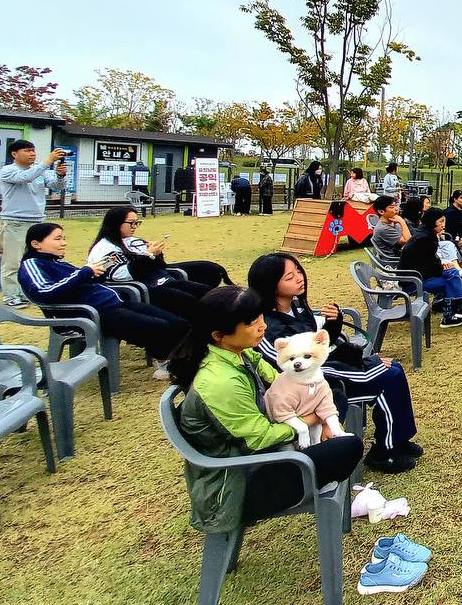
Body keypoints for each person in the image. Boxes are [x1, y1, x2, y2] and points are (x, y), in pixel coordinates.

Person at [166, 286, 363, 533]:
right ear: (219, 334)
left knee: (333, 394)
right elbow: (258, 439)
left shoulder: (238, 353)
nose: (263, 326)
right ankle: (324, 445)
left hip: (261, 456)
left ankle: (325, 437)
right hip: (238, 484)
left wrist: (321, 418)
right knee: (349, 445)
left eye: (260, 317)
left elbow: (281, 381)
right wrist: (313, 417)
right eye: (251, 322)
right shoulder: (220, 382)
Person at [248, 253, 421, 473]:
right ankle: (385, 452)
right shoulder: (269, 328)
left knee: (393, 369)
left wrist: (333, 323)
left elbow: (320, 350)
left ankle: (399, 439)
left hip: (322, 381)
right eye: (289, 277)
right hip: (307, 393)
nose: (299, 278)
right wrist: (369, 365)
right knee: (388, 377)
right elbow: (299, 369)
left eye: (299, 271)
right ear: (271, 286)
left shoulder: (297, 307)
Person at [19, 222, 189, 378]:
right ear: (36, 244)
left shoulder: (57, 263)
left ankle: (176, 361)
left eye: (63, 238)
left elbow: (79, 282)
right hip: (93, 315)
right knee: (161, 327)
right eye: (57, 239)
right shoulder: (32, 265)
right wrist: (85, 272)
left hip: (113, 304)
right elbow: (44, 291)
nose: (64, 243)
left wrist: (98, 273)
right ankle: (167, 364)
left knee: (178, 323)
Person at [87, 206, 212, 319]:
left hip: (159, 281)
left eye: (137, 223)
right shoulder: (104, 248)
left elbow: (160, 264)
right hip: (140, 290)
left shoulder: (131, 241)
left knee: (207, 293)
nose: (135, 227)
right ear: (116, 223)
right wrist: (148, 254)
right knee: (189, 301)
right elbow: (120, 275)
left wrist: (157, 253)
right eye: (131, 223)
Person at [0, 139, 68, 307]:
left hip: (37, 221)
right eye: (27, 150)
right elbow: (25, 177)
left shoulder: (39, 170)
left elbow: (56, 186)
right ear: (14, 154)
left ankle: (27, 292)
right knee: (13, 261)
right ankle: (11, 296)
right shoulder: (8, 170)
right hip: (15, 221)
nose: (32, 154)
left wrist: (60, 175)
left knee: (33, 259)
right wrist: (48, 162)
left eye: (33, 150)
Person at [398, 208, 462, 328]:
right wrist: (441, 268)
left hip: (417, 275)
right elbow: (427, 265)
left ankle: (455, 310)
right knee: (451, 278)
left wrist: (441, 265)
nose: (443, 225)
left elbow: (428, 261)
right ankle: (453, 313)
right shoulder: (425, 238)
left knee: (452, 272)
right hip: (412, 282)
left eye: (444, 221)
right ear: (432, 221)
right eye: (440, 221)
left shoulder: (424, 234)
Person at [369, 195, 411, 268]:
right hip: (395, 262)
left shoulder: (392, 221)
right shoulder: (383, 228)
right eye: (391, 207)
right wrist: (402, 222)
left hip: (402, 255)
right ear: (381, 211)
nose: (396, 209)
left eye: (396, 206)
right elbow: (408, 240)